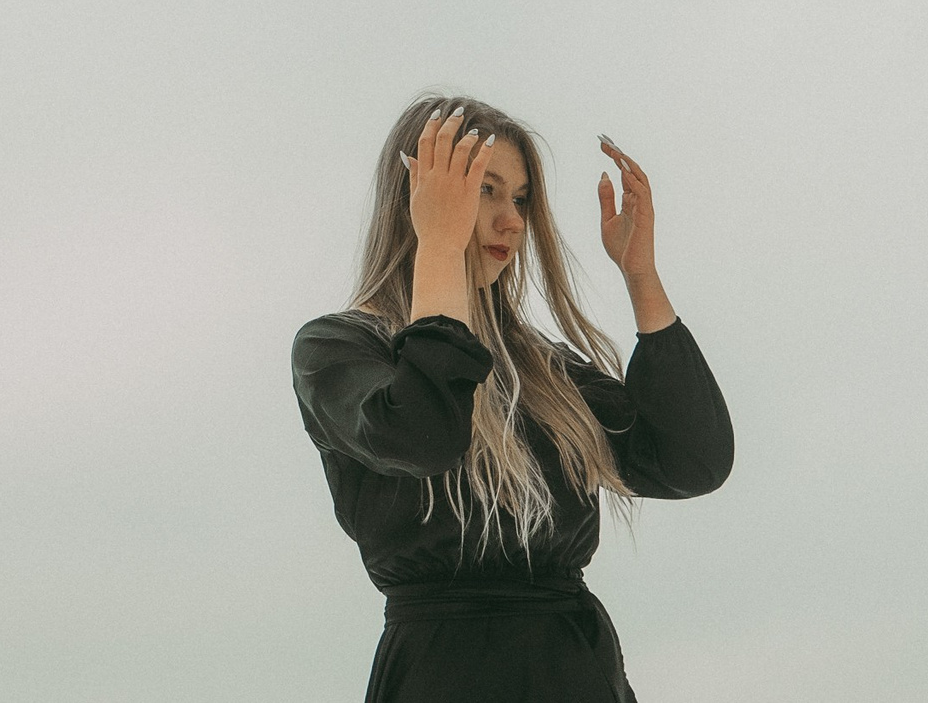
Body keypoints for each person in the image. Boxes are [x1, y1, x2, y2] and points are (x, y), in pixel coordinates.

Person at [291, 96, 734, 703]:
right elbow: (423, 435)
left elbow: (692, 460)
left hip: (574, 670)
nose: (513, 222)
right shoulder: (337, 348)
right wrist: (440, 250)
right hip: (440, 674)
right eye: (483, 191)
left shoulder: (546, 369)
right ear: (419, 196)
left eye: (521, 199)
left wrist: (641, 276)